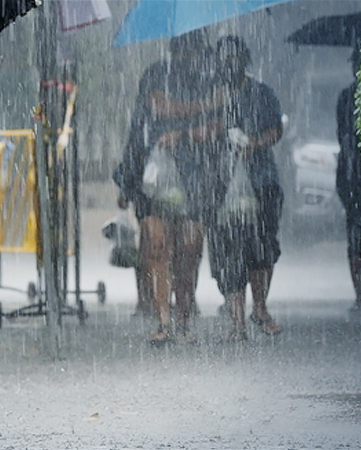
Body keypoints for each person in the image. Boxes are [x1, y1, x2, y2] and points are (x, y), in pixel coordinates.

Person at [113, 33, 224, 344]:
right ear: (176, 48)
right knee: (159, 245)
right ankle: (164, 319)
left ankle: (183, 318)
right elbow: (160, 108)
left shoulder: (212, 77)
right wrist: (202, 106)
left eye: (194, 48)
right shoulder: (157, 73)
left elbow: (218, 124)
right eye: (184, 47)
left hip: (198, 175)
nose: (189, 54)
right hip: (152, 173)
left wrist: (186, 134)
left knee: (189, 248)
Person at [209, 36, 284, 340]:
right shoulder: (210, 96)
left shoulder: (262, 93)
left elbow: (276, 129)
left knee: (261, 246)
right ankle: (237, 322)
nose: (229, 64)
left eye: (234, 58)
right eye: (224, 58)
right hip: (220, 185)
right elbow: (201, 132)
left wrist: (255, 144)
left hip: (261, 181)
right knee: (228, 252)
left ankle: (260, 309)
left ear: (245, 61)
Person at [335, 47, 361, 312]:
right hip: (353, 174)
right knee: (356, 235)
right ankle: (360, 295)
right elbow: (343, 135)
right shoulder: (347, 97)